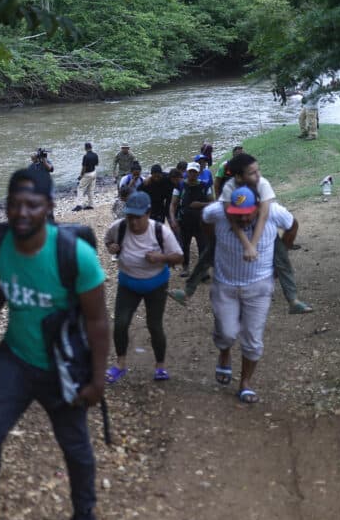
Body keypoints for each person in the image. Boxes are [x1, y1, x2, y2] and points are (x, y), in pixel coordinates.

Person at [0, 167, 108, 520]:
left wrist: (98, 381)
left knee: (74, 445)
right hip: (15, 358)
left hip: (62, 366)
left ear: (49, 207)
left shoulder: (76, 256)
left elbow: (98, 321)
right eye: (15, 204)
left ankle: (84, 513)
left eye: (32, 205)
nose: (22, 213)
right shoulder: (1, 241)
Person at [170, 153, 313, 313]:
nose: (258, 175)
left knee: (282, 260)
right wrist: (216, 239)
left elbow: (264, 215)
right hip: (236, 221)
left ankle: (293, 300)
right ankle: (187, 292)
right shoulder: (230, 188)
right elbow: (229, 218)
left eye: (257, 170)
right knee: (208, 253)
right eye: (252, 172)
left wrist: (253, 245)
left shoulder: (262, 184)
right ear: (238, 177)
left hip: (263, 225)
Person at [203, 186, 299, 403]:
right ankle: (225, 352)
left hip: (259, 286)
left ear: (258, 207)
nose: (244, 218)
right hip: (225, 284)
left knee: (253, 339)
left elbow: (292, 225)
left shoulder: (273, 212)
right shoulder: (218, 212)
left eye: (248, 213)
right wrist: (213, 245)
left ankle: (245, 383)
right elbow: (205, 219)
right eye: (238, 215)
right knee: (226, 333)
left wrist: (280, 256)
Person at [103, 192, 183, 383]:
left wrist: (161, 258)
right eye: (129, 216)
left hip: (156, 284)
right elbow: (107, 241)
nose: (133, 222)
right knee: (120, 324)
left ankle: (160, 367)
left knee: (154, 326)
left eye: (137, 217)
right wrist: (112, 247)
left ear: (148, 213)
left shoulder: (160, 231)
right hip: (128, 284)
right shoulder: (119, 227)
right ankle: (120, 365)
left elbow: (179, 257)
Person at [168, 162, 212, 278]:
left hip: (201, 222)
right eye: (190, 171)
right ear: (186, 172)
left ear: (198, 173)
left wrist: (200, 204)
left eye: (195, 172)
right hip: (184, 221)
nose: (192, 174)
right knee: (185, 245)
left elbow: (213, 203)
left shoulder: (205, 186)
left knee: (203, 245)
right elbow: (173, 204)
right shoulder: (180, 186)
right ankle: (185, 267)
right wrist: (173, 220)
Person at [75, 142, 99, 211]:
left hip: (87, 174)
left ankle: (79, 205)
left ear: (85, 148)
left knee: (80, 188)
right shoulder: (95, 155)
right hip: (94, 172)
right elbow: (96, 164)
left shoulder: (85, 156)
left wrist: (81, 176)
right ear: (91, 147)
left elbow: (84, 167)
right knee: (91, 189)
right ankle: (91, 205)